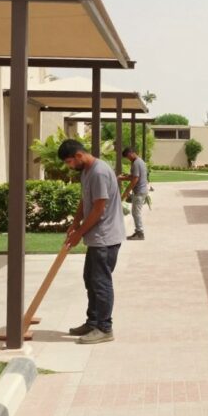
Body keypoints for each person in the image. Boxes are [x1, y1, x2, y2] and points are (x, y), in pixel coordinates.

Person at [60, 139, 125, 345]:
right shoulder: (87, 171)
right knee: (90, 279)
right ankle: (93, 321)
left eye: (69, 162)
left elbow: (99, 208)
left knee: (101, 283)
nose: (69, 166)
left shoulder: (98, 172)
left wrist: (79, 233)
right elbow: (85, 200)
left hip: (106, 238)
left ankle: (104, 328)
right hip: (97, 238)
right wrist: (75, 221)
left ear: (79, 156)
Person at [118, 146, 149, 240]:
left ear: (131, 153)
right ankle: (138, 232)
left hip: (139, 191)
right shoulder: (139, 161)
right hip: (141, 191)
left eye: (128, 156)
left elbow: (135, 179)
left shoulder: (136, 163)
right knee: (136, 212)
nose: (128, 158)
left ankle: (140, 233)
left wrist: (126, 193)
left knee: (136, 213)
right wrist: (122, 178)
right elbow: (133, 176)